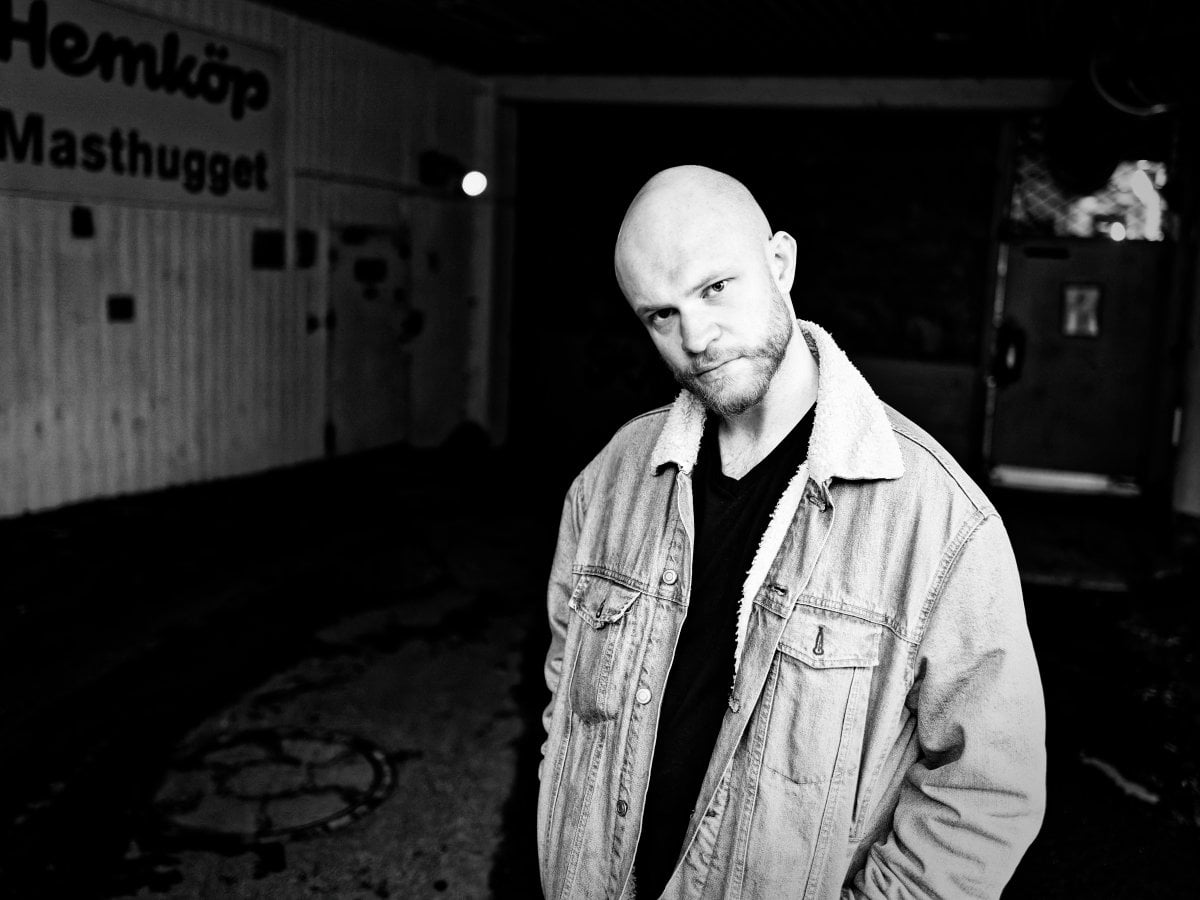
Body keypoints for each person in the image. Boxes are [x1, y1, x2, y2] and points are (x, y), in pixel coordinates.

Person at [537, 165, 1046, 900]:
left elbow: (986, 791)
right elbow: (566, 698)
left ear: (781, 263)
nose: (697, 338)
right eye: (661, 316)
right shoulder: (610, 480)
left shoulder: (940, 522)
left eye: (715, 288)